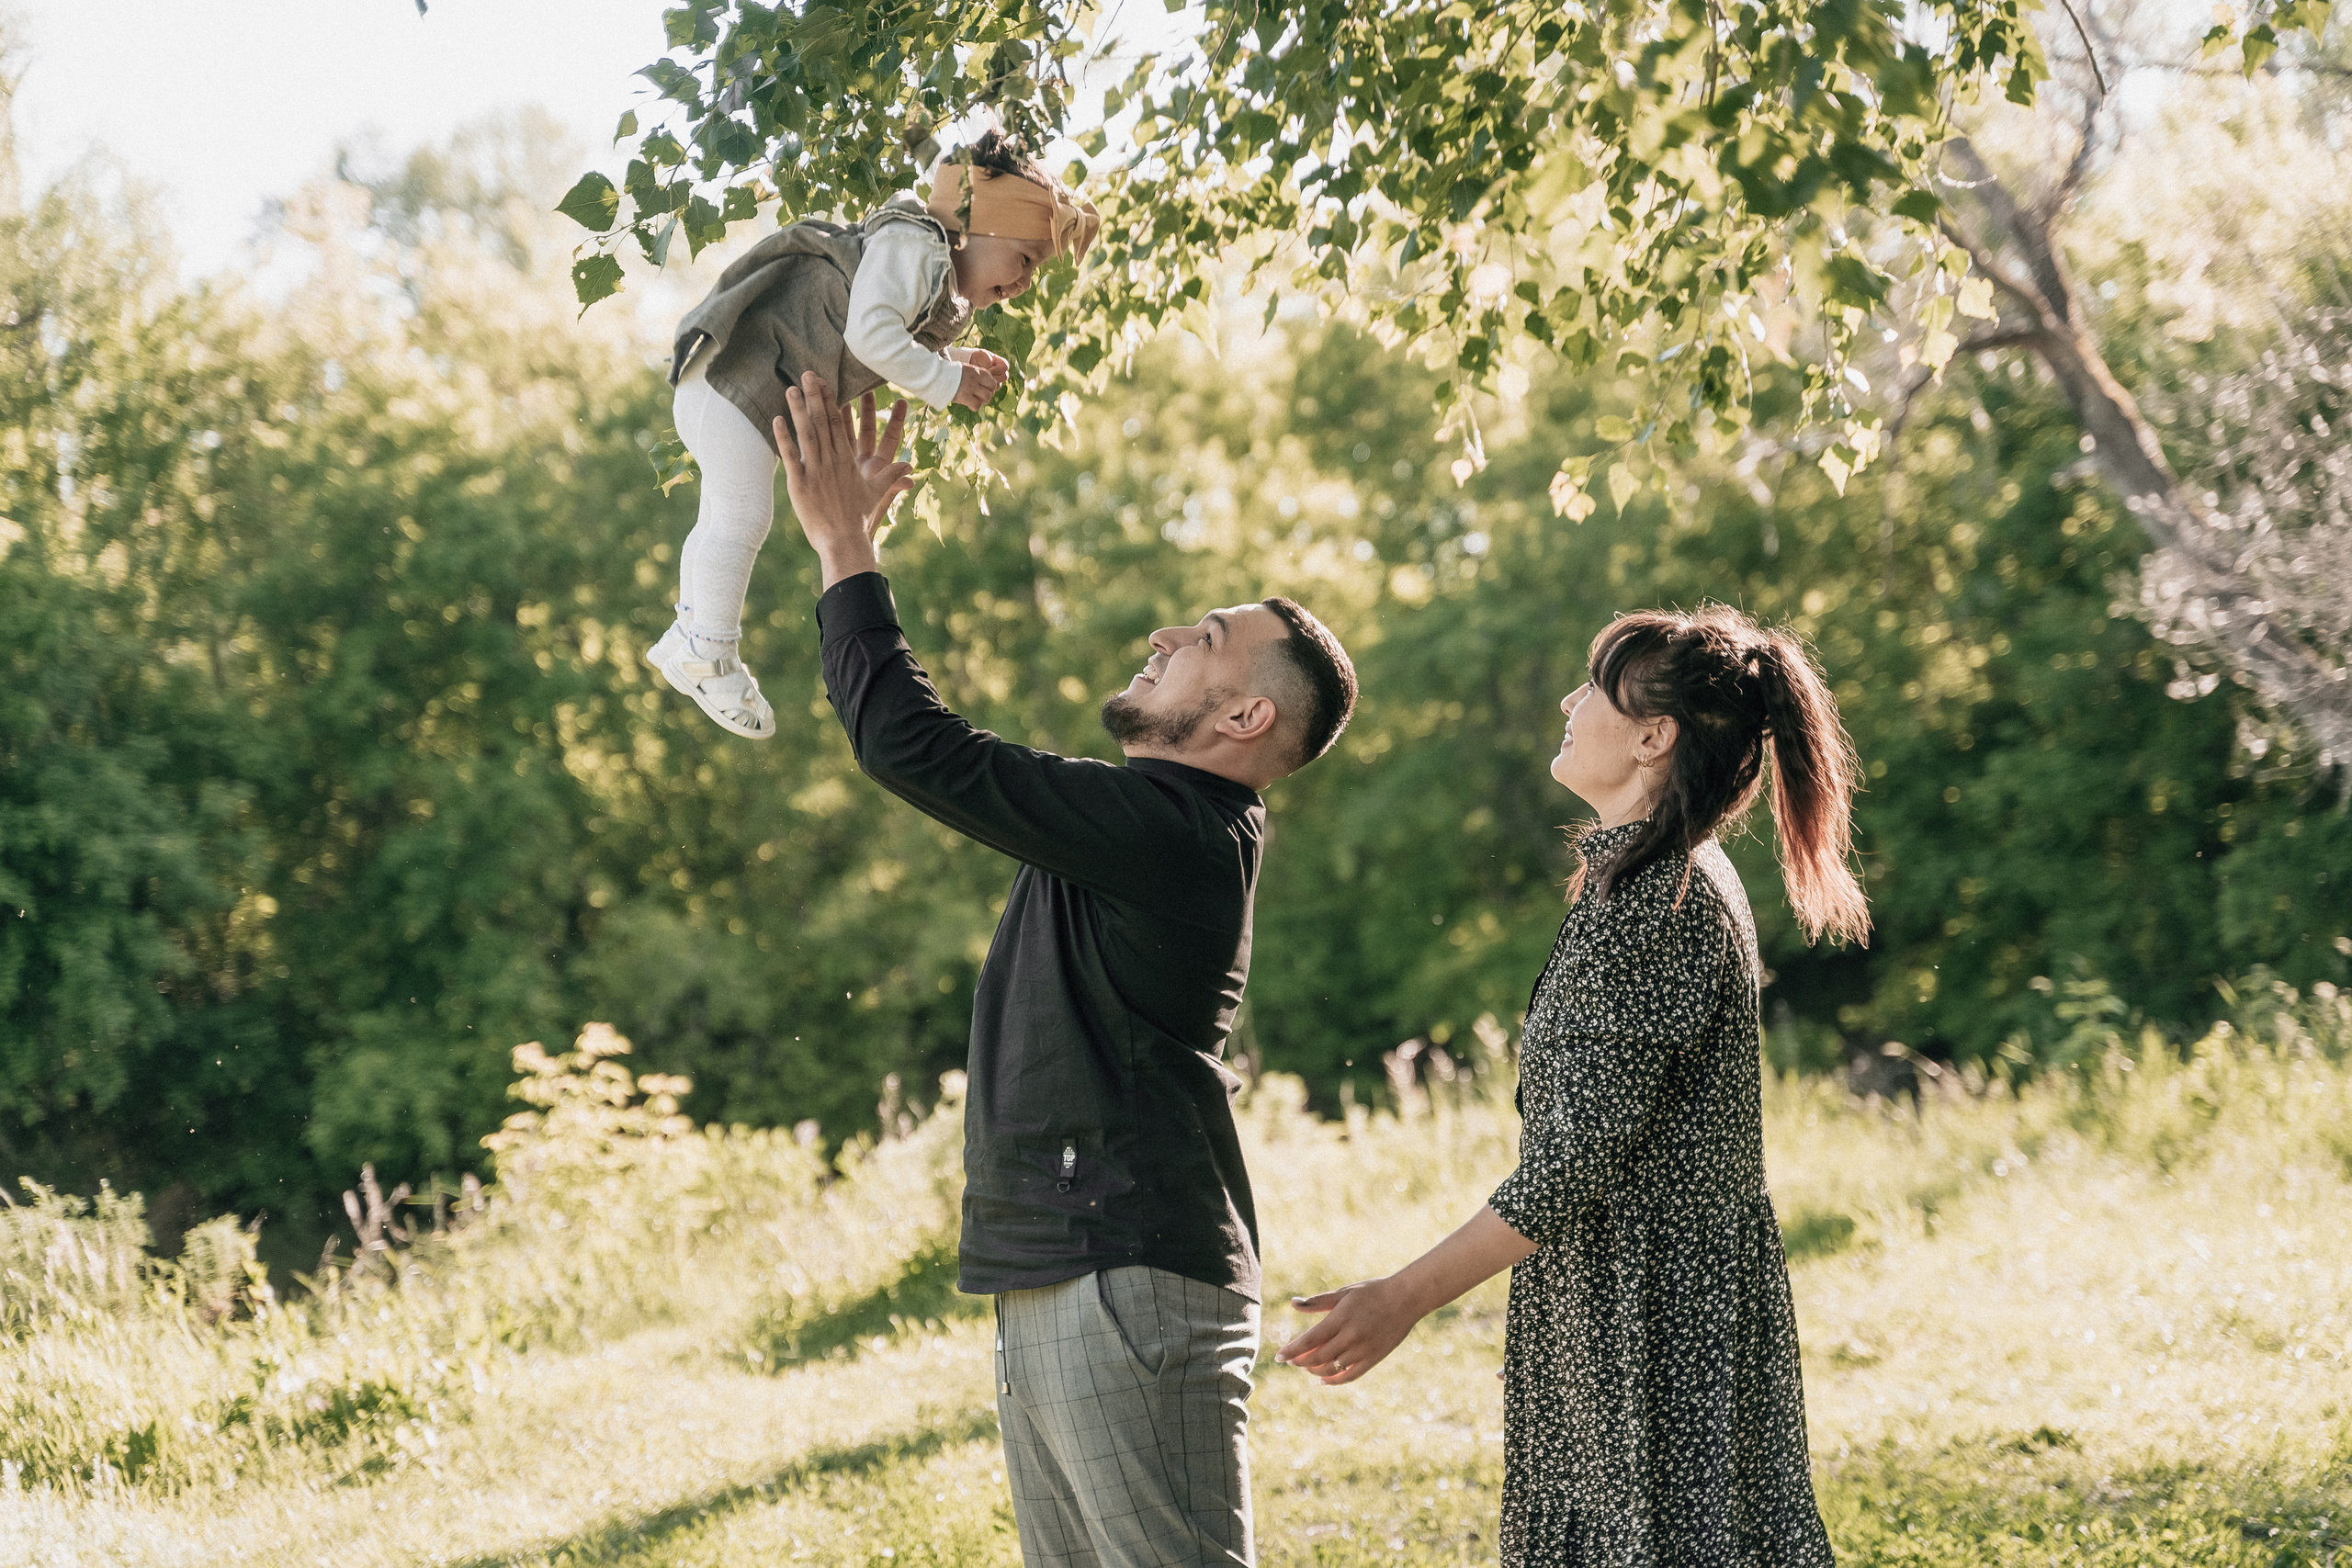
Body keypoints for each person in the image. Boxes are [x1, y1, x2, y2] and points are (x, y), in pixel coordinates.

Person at [775, 372, 1360, 1568]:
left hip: (1128, 1274)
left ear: (1246, 716)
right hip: (1068, 1272)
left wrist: (845, 545)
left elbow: (913, 745)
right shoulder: (1149, 823)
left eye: (1202, 639)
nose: (1163, 634)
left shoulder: (1176, 827)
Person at [1276, 606, 1871, 1568]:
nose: (1566, 699)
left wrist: (1400, 1298)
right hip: (1625, 1298)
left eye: (1593, 685)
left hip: (1656, 1317)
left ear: (1652, 736)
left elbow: (1566, 1169)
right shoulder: (1639, 881)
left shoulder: (1658, 902)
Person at [649, 131, 1100, 739]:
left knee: (725, 517)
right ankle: (710, 650)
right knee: (743, 516)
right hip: (737, 378)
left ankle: (691, 634)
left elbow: (892, 335)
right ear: (983, 227)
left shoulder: (932, 277)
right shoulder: (917, 247)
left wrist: (956, 363)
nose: (1023, 284)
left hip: (737, 383)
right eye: (1024, 260)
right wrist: (943, 380)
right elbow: (871, 338)